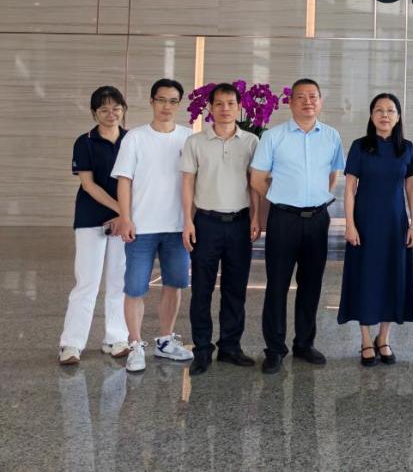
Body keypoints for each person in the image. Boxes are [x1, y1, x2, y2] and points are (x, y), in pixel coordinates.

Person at [250, 78, 344, 374]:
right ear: (290, 103)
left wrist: (315, 198)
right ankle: (275, 349)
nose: (307, 101)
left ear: (320, 101)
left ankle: (304, 344)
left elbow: (333, 175)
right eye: (301, 97)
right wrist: (282, 197)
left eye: (313, 96)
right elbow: (257, 178)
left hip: (317, 219)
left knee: (311, 284)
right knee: (277, 285)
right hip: (284, 219)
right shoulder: (273, 136)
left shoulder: (331, 136)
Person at [111, 78, 195, 372]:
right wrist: (125, 217)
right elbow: (124, 180)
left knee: (175, 283)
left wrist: (190, 220)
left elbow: (193, 182)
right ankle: (135, 344)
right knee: (135, 288)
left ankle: (165, 340)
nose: (166, 106)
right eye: (161, 100)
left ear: (179, 104)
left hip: (176, 227)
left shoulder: (188, 138)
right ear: (151, 101)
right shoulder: (135, 137)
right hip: (141, 227)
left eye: (173, 101)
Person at [179, 82, 261, 375]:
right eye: (219, 104)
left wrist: (255, 217)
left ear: (239, 107)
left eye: (230, 103)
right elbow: (187, 183)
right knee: (202, 289)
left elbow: (254, 183)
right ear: (210, 108)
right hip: (206, 223)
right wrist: (187, 221)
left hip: (239, 223)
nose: (225, 109)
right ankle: (202, 350)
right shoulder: (195, 142)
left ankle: (230, 347)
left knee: (235, 289)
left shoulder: (251, 141)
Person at [338, 93, 413, 367]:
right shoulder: (360, 147)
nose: (385, 115)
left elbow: (411, 187)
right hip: (365, 224)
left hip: (395, 225)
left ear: (398, 116)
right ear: (371, 115)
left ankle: (383, 337)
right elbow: (350, 188)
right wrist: (350, 224)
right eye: (379, 110)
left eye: (390, 110)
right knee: (365, 278)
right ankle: (365, 339)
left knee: (391, 278)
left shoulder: (406, 148)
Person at [58, 86, 131, 365]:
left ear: (123, 110)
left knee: (118, 281)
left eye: (116, 108)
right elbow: (88, 185)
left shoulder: (132, 140)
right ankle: (71, 344)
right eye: (104, 109)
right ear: (94, 113)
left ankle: (116, 338)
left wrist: (125, 216)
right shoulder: (84, 142)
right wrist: (122, 210)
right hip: (91, 219)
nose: (111, 114)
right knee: (87, 282)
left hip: (123, 221)